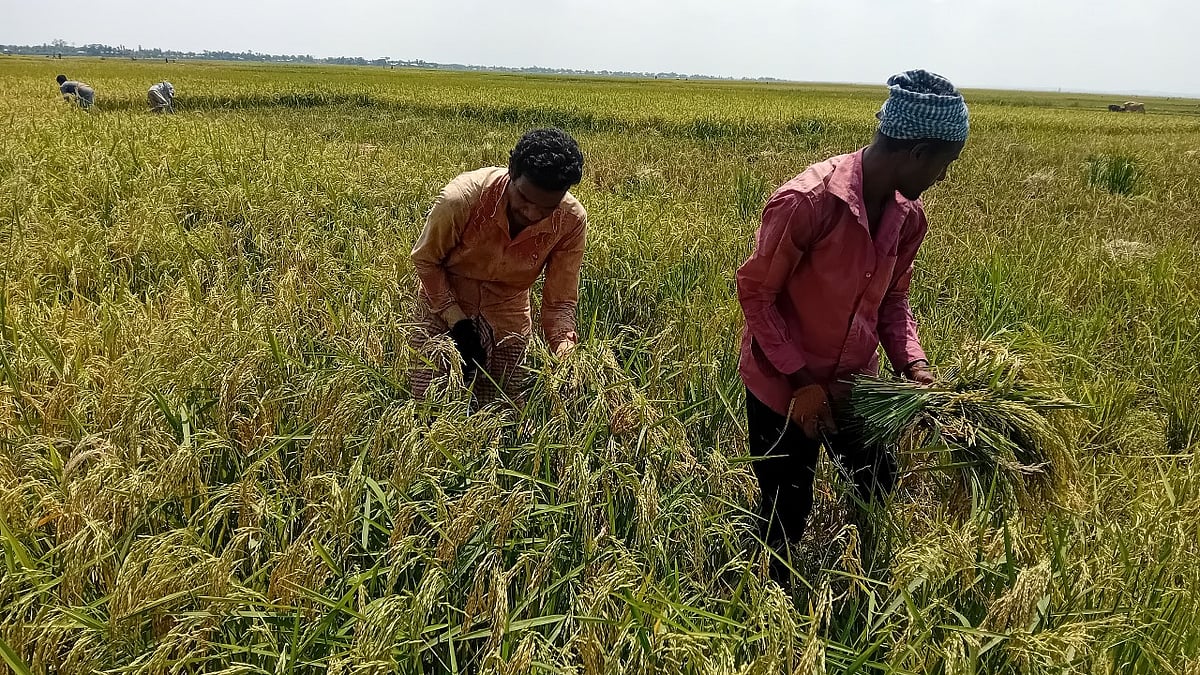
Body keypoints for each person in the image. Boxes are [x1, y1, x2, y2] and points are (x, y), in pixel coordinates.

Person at [736, 70, 968, 578]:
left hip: (854, 384)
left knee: (877, 481)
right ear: (918, 152)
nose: (943, 177)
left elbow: (893, 301)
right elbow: (757, 295)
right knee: (786, 507)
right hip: (783, 385)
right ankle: (770, 596)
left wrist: (914, 366)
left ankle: (860, 574)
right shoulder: (807, 201)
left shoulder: (909, 218)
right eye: (945, 164)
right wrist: (802, 382)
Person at [409, 128, 587, 407]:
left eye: (546, 208)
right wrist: (458, 323)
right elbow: (426, 260)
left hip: (507, 320)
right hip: (442, 307)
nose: (532, 213)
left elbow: (559, 303)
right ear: (511, 172)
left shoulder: (570, 221)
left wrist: (566, 355)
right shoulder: (462, 198)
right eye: (524, 199)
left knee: (503, 408)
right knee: (430, 403)